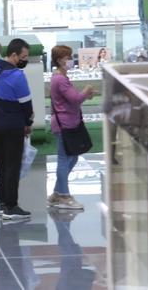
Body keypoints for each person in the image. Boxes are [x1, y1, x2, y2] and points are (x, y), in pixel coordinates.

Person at [0, 38, 35, 221]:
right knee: (12, 166)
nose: (25, 60)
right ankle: (11, 206)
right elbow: (26, 104)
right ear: (13, 55)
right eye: (23, 57)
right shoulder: (17, 76)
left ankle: (2, 203)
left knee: (1, 165)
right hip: (13, 126)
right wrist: (28, 124)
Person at [48, 44, 92, 212]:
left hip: (69, 122)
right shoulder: (60, 79)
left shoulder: (60, 77)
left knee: (72, 158)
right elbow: (74, 99)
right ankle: (64, 195)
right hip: (64, 124)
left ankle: (57, 193)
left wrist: (85, 94)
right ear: (59, 60)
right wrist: (86, 91)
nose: (71, 61)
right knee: (64, 159)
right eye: (68, 58)